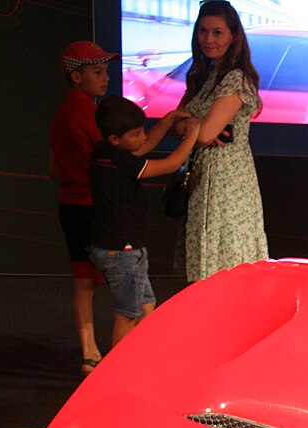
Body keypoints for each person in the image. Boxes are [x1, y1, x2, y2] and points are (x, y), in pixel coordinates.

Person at [88, 96, 200, 346]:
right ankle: (115, 376)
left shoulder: (105, 151)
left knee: (146, 304)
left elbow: (145, 144)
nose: (142, 137)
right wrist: (193, 135)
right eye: (136, 133)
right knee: (128, 315)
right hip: (122, 250)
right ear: (116, 140)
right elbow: (171, 163)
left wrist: (168, 118)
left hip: (120, 247)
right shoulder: (120, 161)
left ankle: (146, 357)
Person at [173, 0, 268, 282]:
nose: (208, 39)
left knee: (225, 261)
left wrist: (195, 127)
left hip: (227, 180)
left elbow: (201, 135)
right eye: (203, 31)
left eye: (217, 32)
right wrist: (197, 127)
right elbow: (174, 124)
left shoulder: (235, 79)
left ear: (233, 36)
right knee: (203, 253)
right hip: (201, 174)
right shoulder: (202, 76)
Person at [49, 41, 117, 375]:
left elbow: (53, 168)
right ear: (77, 77)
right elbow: (110, 161)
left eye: (105, 71)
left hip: (70, 205)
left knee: (82, 280)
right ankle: (126, 352)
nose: (106, 78)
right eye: (97, 72)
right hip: (92, 207)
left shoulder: (62, 113)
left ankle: (89, 353)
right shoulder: (89, 114)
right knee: (128, 278)